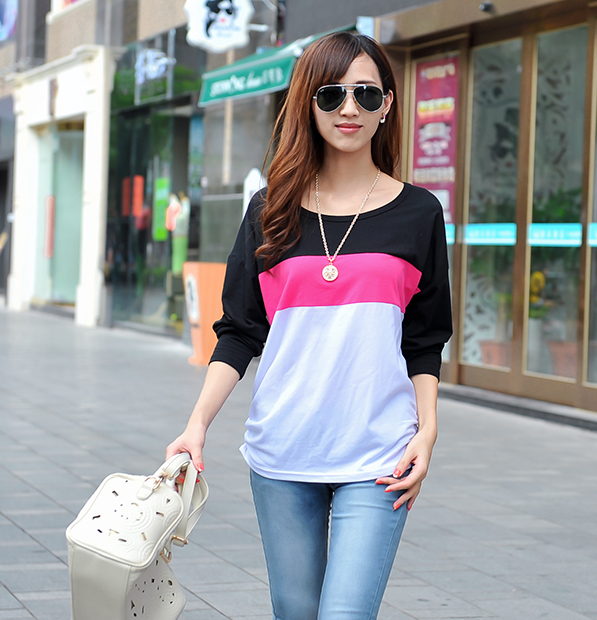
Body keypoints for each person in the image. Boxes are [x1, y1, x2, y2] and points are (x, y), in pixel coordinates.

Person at [166, 31, 452, 620]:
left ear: (387, 105)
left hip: (379, 453)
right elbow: (240, 330)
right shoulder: (269, 209)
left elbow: (424, 340)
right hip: (284, 448)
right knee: (294, 611)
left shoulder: (419, 212)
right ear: (308, 103)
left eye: (365, 94)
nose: (349, 108)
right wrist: (196, 426)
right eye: (331, 94)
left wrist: (426, 433)